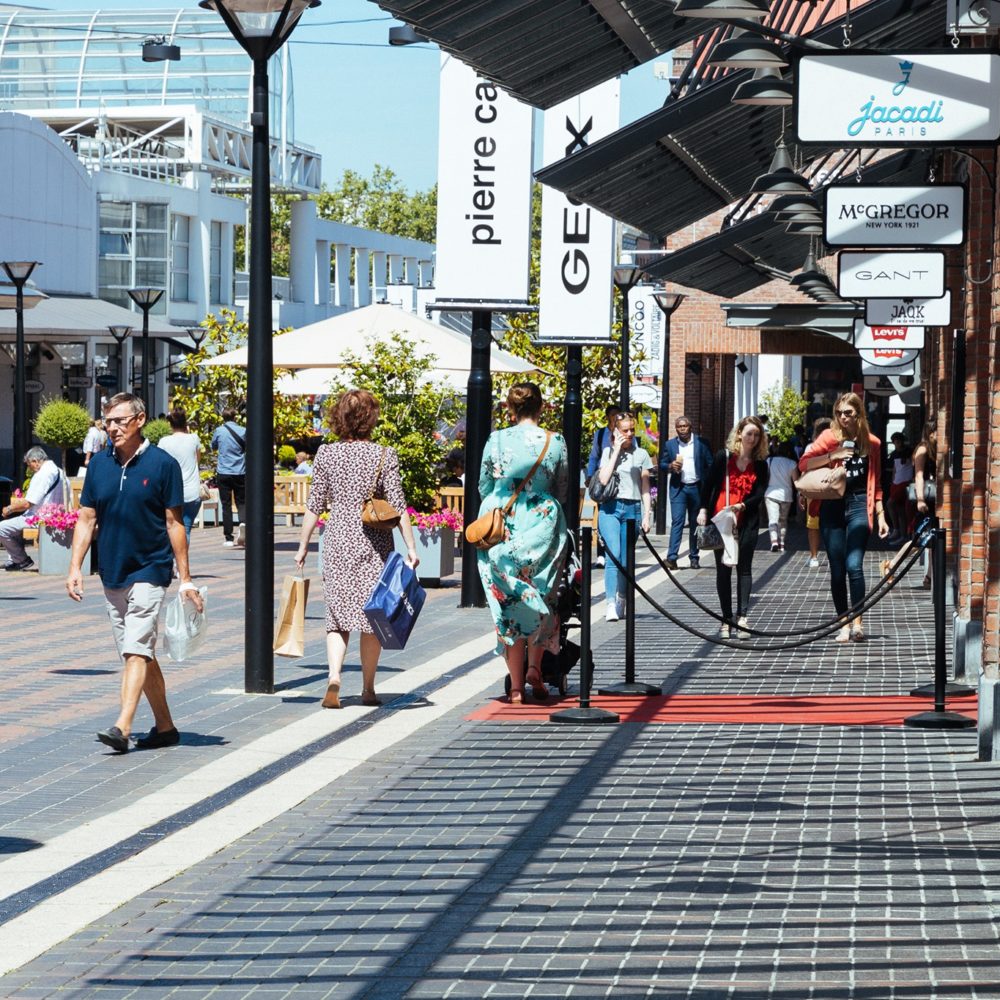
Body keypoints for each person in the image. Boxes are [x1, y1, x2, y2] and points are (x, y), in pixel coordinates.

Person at [66, 393, 203, 753]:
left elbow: (174, 524)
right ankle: (166, 727)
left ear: (139, 420)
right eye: (108, 421)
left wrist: (185, 577)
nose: (112, 428)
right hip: (112, 570)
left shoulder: (162, 464)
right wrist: (74, 568)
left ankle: (122, 726)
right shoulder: (99, 466)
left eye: (119, 421)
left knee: (136, 648)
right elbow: (87, 518)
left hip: (151, 568)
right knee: (139, 652)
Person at [295, 389, 420, 710]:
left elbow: (314, 505)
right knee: (372, 615)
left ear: (339, 417)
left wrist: (303, 545)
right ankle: (367, 687)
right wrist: (411, 546)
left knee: (337, 617)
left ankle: (334, 677)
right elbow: (398, 505)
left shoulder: (325, 454)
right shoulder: (383, 454)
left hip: (337, 539)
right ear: (370, 418)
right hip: (374, 542)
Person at [477, 383, 569, 703]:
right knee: (543, 592)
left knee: (508, 600)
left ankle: (516, 687)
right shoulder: (554, 441)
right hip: (542, 521)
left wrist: (501, 500)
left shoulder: (496, 438)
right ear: (541, 407)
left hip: (502, 521)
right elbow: (562, 488)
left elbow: (483, 483)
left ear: (510, 409)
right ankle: (535, 668)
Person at [799, 392, 889, 642]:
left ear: (859, 414)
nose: (842, 418)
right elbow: (804, 464)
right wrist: (832, 456)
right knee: (838, 569)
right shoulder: (829, 437)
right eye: (839, 413)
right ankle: (844, 623)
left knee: (854, 565)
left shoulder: (872, 443)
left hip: (860, 504)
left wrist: (881, 515)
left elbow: (878, 483)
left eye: (848, 413)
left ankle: (857, 623)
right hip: (832, 505)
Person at [697, 416, 769, 640]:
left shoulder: (760, 463)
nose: (753, 438)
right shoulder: (723, 457)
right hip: (722, 519)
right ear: (739, 434)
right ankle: (726, 619)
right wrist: (703, 510)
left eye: (757, 435)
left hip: (746, 520)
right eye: (749, 433)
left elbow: (759, 493)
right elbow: (708, 484)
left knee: (744, 567)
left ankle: (742, 617)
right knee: (724, 569)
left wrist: (743, 505)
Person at [597, 410, 653, 622]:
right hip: (610, 508)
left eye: (632, 430)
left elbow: (646, 488)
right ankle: (610, 602)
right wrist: (616, 451)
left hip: (633, 508)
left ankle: (622, 597)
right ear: (615, 432)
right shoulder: (608, 452)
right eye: (625, 430)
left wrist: (647, 516)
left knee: (625, 559)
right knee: (613, 554)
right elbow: (603, 479)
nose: (629, 434)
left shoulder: (642, 455)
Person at [0, 446, 67, 571]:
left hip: (40, 518)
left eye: (29, 464)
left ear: (36, 461)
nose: (29, 468)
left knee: (2, 528)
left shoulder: (43, 474)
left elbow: (28, 503)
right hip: (55, 516)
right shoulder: (58, 470)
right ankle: (14, 559)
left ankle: (21, 560)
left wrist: (9, 509)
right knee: (15, 523)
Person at [659, 415, 713, 570]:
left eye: (685, 426)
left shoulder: (702, 443)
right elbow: (662, 464)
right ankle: (672, 557)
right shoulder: (669, 445)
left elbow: (710, 464)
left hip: (697, 487)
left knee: (695, 523)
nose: (682, 429)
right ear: (676, 429)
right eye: (679, 427)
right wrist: (670, 466)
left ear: (691, 427)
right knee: (677, 522)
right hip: (679, 488)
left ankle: (694, 557)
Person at [155, 408, 202, 539]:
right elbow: (198, 459)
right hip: (192, 491)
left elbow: (159, 464)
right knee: (185, 528)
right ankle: (181, 558)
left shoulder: (164, 441)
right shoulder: (194, 438)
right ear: (185, 423)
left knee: (171, 527)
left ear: (170, 424)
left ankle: (173, 557)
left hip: (171, 492)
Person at [586, 405, 621, 567]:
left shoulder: (625, 433)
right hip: (603, 478)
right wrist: (589, 475)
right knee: (603, 514)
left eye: (617, 415)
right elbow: (594, 456)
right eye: (612, 415)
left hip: (620, 479)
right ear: (607, 416)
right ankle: (601, 554)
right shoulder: (600, 434)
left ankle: (615, 551)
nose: (615, 418)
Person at [210, 407, 246, 548]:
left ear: (223, 417)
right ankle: (243, 522)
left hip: (224, 471)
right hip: (240, 471)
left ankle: (229, 537)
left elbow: (213, 446)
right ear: (235, 417)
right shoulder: (243, 430)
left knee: (226, 505)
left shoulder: (219, 431)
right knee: (241, 502)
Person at [801, 416, 832, 569]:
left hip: (815, 490)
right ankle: (832, 554)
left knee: (813, 525)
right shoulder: (837, 445)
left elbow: (804, 469)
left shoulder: (811, 447)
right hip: (832, 489)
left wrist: (802, 492)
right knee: (832, 524)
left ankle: (814, 557)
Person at [912, 420, 938, 589]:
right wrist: (920, 499)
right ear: (930, 433)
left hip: (936, 498)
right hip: (928, 499)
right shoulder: (923, 449)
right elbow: (919, 476)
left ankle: (930, 575)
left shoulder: (937, 449)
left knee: (932, 539)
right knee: (923, 538)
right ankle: (892, 564)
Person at [765, 440, 800, 552]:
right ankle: (782, 543)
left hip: (770, 493)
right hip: (786, 495)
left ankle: (774, 542)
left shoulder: (769, 461)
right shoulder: (792, 463)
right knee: (783, 520)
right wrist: (800, 494)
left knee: (772, 519)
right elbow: (796, 482)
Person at [886, 432, 914, 545]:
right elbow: (894, 468)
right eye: (895, 442)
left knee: (890, 504)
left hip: (905, 482)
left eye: (898, 441)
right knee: (900, 509)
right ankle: (902, 534)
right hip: (896, 482)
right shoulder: (893, 454)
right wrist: (892, 481)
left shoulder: (909, 452)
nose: (897, 444)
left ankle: (897, 529)